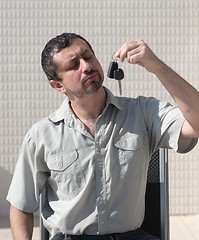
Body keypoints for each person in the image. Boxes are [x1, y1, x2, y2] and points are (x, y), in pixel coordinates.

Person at [7, 32, 199, 240]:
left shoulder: (142, 112)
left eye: (88, 56)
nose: (86, 66)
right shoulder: (41, 135)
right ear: (58, 85)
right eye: (73, 65)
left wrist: (157, 67)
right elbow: (21, 206)